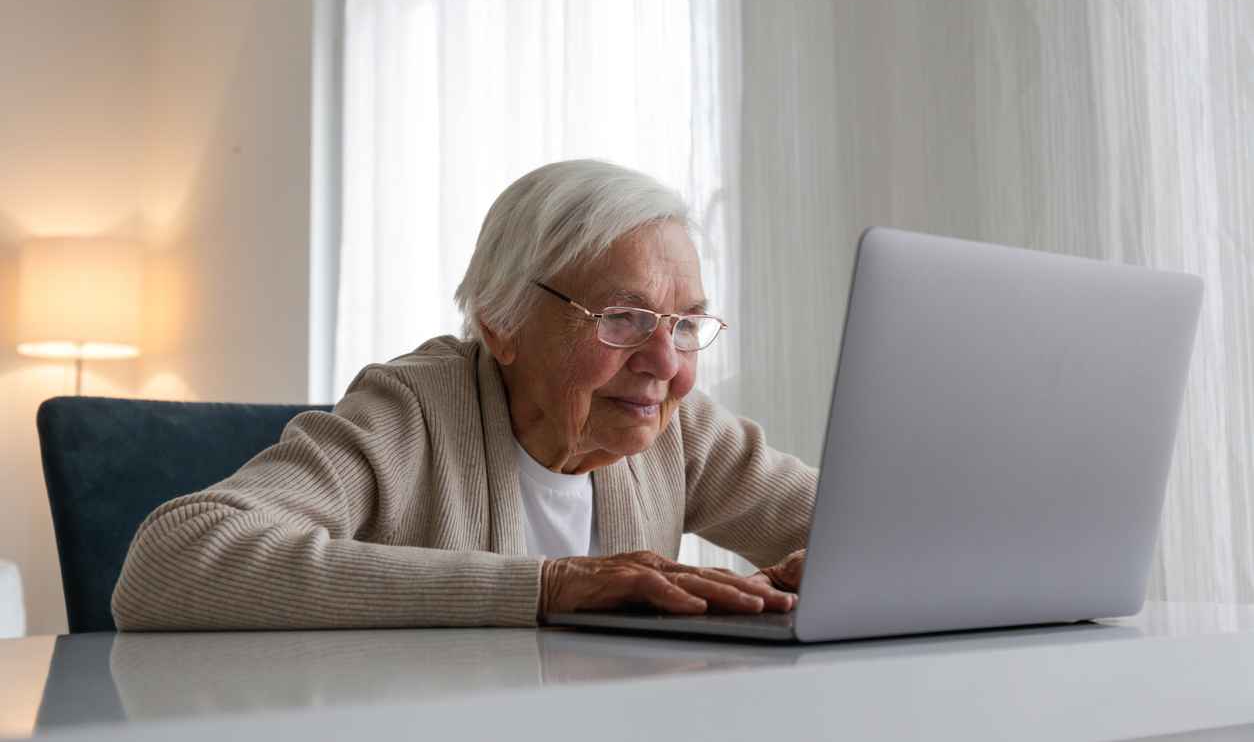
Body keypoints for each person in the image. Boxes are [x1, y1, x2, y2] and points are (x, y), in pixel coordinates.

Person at [112, 160, 818, 630]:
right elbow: (170, 561)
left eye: (684, 322)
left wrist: (829, 568)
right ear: (500, 322)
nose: (664, 361)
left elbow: (866, 527)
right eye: (620, 317)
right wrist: (544, 588)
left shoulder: (679, 428)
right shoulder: (410, 413)